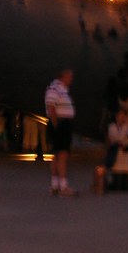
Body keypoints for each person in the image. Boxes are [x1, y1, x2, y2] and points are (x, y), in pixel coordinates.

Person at [45, 68, 77, 196]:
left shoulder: (62, 90)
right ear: (63, 76)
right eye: (69, 77)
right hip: (60, 124)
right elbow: (51, 107)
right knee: (63, 154)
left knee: (57, 155)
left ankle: (55, 185)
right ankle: (63, 186)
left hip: (62, 124)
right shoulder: (54, 89)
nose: (71, 80)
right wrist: (57, 125)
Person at [106, 107, 128, 190]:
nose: (122, 118)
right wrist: (126, 126)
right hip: (116, 159)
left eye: (124, 116)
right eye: (121, 115)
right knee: (118, 186)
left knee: (127, 187)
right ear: (116, 116)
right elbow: (118, 139)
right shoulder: (112, 127)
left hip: (127, 159)